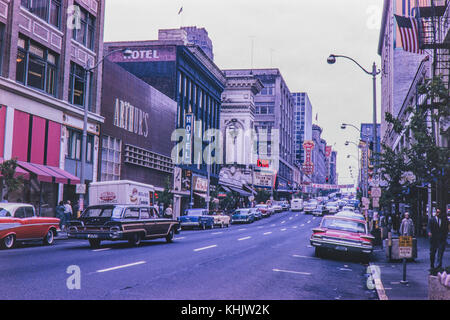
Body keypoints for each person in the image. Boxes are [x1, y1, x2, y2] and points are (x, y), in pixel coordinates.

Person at [427, 208, 449, 273]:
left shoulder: (444, 220)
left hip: (441, 239)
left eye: (439, 212)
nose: (438, 214)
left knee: (440, 253)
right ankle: (432, 266)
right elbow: (428, 227)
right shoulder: (432, 220)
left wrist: (445, 236)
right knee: (432, 253)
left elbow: (446, 229)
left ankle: (438, 266)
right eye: (437, 212)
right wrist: (429, 232)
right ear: (435, 213)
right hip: (434, 239)